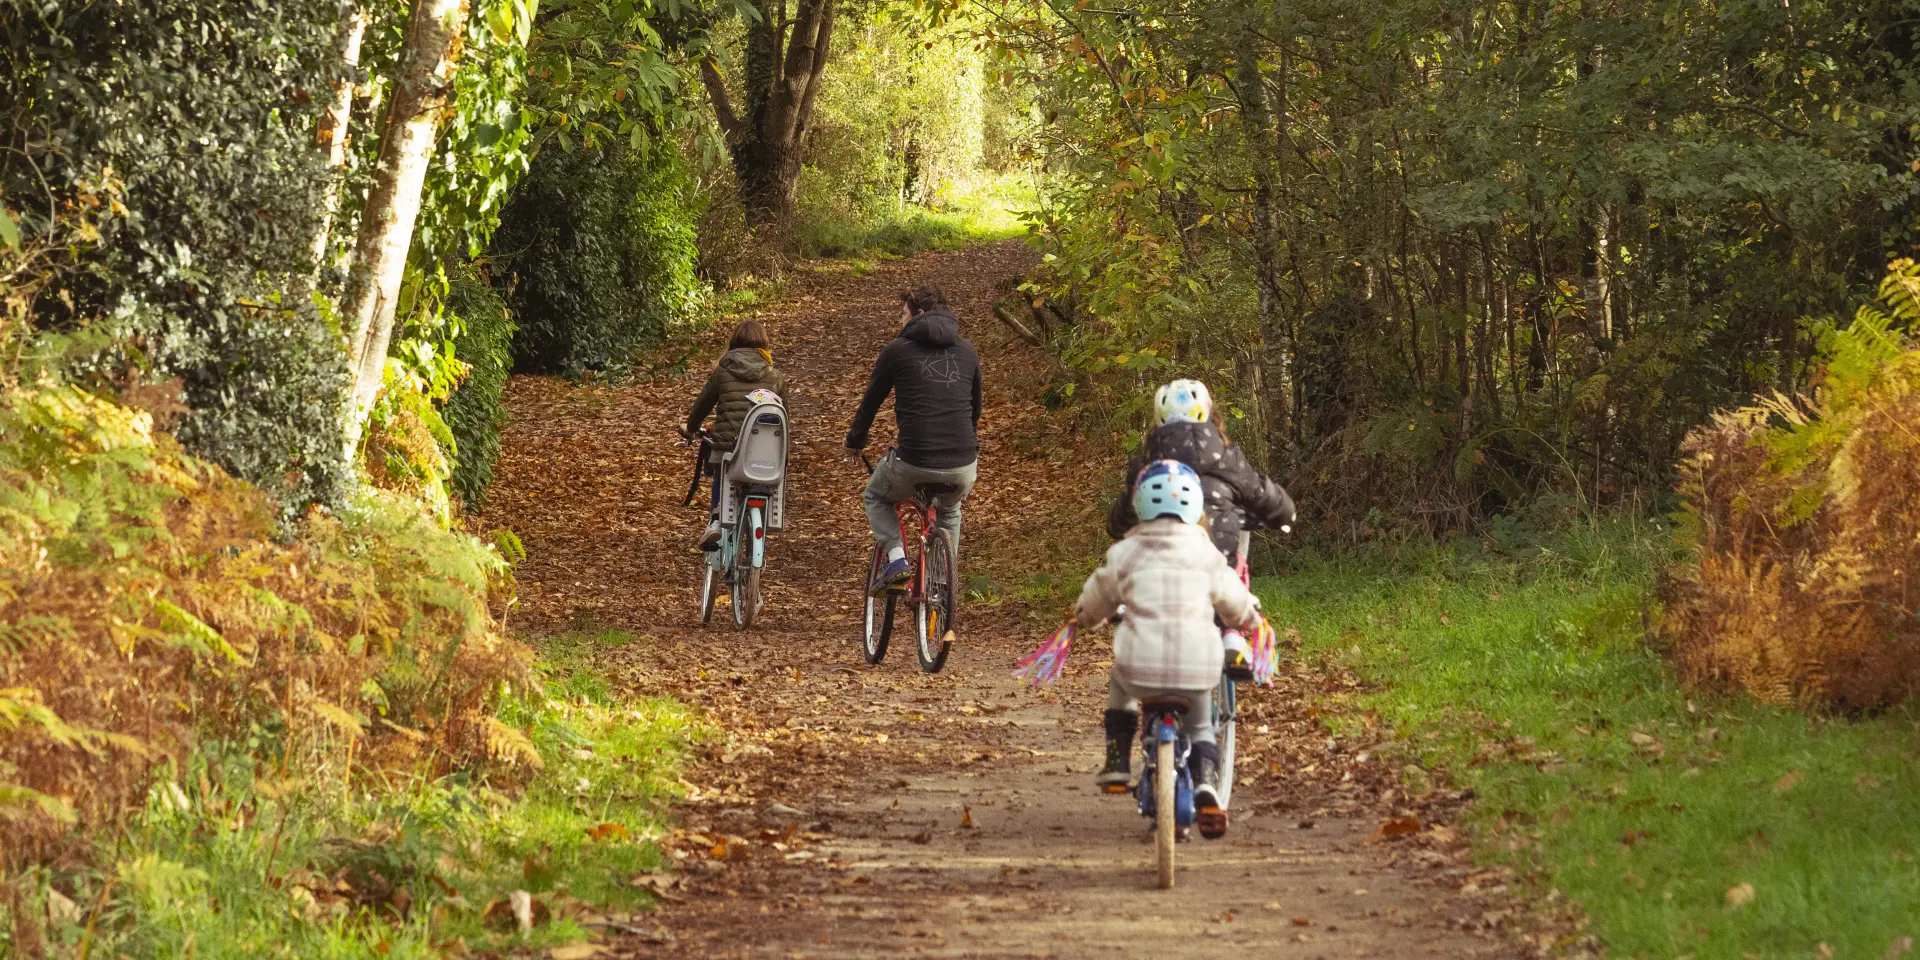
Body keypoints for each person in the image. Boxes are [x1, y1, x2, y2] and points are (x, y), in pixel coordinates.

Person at [1098, 378, 1294, 788]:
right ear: (1209, 414)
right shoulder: (1224, 454)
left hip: (1156, 560)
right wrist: (1284, 513)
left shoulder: (1146, 462)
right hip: (1214, 550)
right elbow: (1261, 494)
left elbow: (1122, 515)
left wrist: (1119, 525)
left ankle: (1120, 753)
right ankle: (1232, 639)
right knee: (1227, 573)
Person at [1074, 460, 1259, 840]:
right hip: (1198, 667)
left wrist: (1083, 618)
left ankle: (1118, 760)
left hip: (1139, 668)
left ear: (1139, 504)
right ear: (1196, 507)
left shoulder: (1126, 553)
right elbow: (1236, 605)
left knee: (1119, 681)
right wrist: (1253, 621)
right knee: (1203, 724)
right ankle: (1206, 781)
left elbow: (1097, 600)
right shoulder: (1208, 556)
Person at [843, 283, 982, 595]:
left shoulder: (896, 351)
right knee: (949, 509)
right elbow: (975, 409)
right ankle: (943, 583)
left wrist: (855, 441)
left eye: (902, 314)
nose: (899, 321)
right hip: (963, 465)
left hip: (914, 461)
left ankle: (895, 560)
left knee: (876, 496)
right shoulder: (968, 351)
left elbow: (871, 402)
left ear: (918, 314)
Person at [685, 319, 789, 550]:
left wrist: (691, 429)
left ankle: (715, 521)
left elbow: (701, 406)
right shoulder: (775, 376)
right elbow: (784, 419)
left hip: (727, 447)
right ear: (763, 344)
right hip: (763, 453)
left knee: (723, 469)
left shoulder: (722, 372)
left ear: (734, 343)